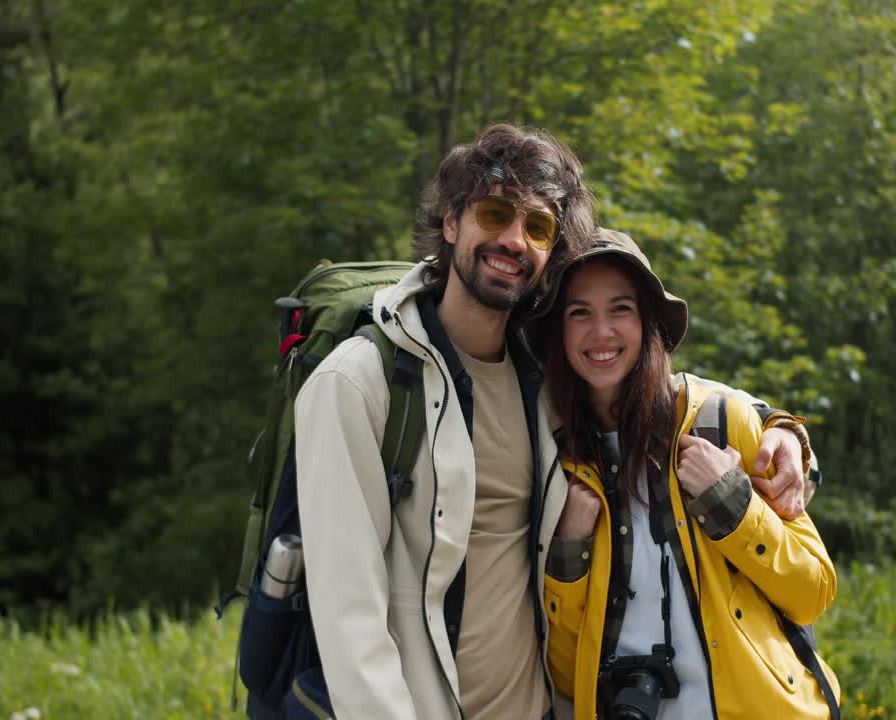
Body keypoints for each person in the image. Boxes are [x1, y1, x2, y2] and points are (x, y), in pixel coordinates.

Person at [294, 124, 816, 719]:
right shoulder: (360, 383)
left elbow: (660, 394)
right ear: (449, 223)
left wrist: (786, 433)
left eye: (537, 226)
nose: (513, 239)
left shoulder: (541, 383)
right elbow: (347, 616)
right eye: (494, 213)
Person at [535, 229, 839, 719]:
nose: (602, 332)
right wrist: (570, 547)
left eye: (620, 309)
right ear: (559, 334)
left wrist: (734, 507)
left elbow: (813, 592)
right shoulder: (558, 465)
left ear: (648, 322)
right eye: (579, 313)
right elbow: (569, 673)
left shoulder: (723, 423)